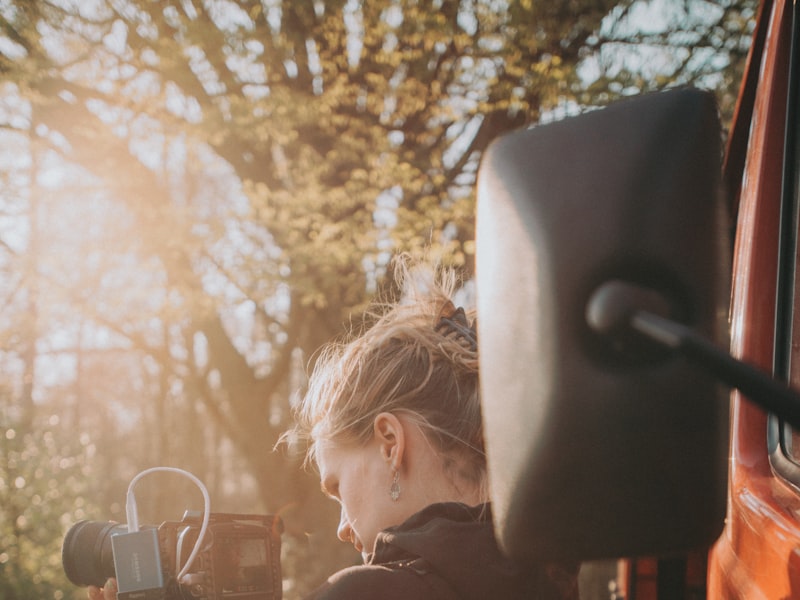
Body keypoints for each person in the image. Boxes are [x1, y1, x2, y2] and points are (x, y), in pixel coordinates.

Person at [88, 257, 579, 600]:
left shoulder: (368, 593)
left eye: (337, 486)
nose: (344, 527)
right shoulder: (565, 571)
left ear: (390, 442)